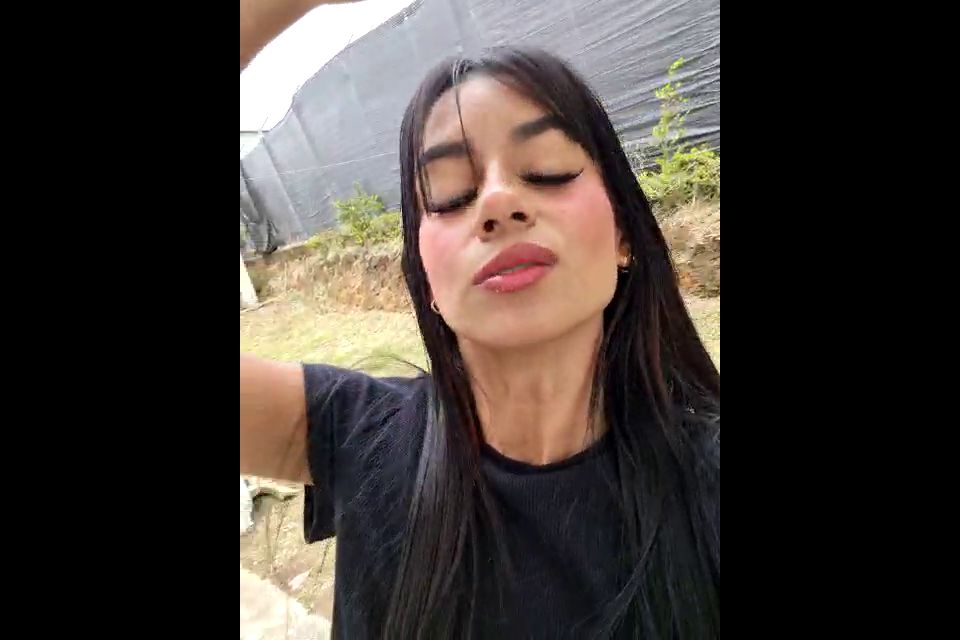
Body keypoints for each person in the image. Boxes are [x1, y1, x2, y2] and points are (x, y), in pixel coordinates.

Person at [239, 1, 720, 637]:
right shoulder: (353, 432)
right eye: (449, 194)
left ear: (624, 234)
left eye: (546, 169)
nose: (497, 201)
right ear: (427, 280)